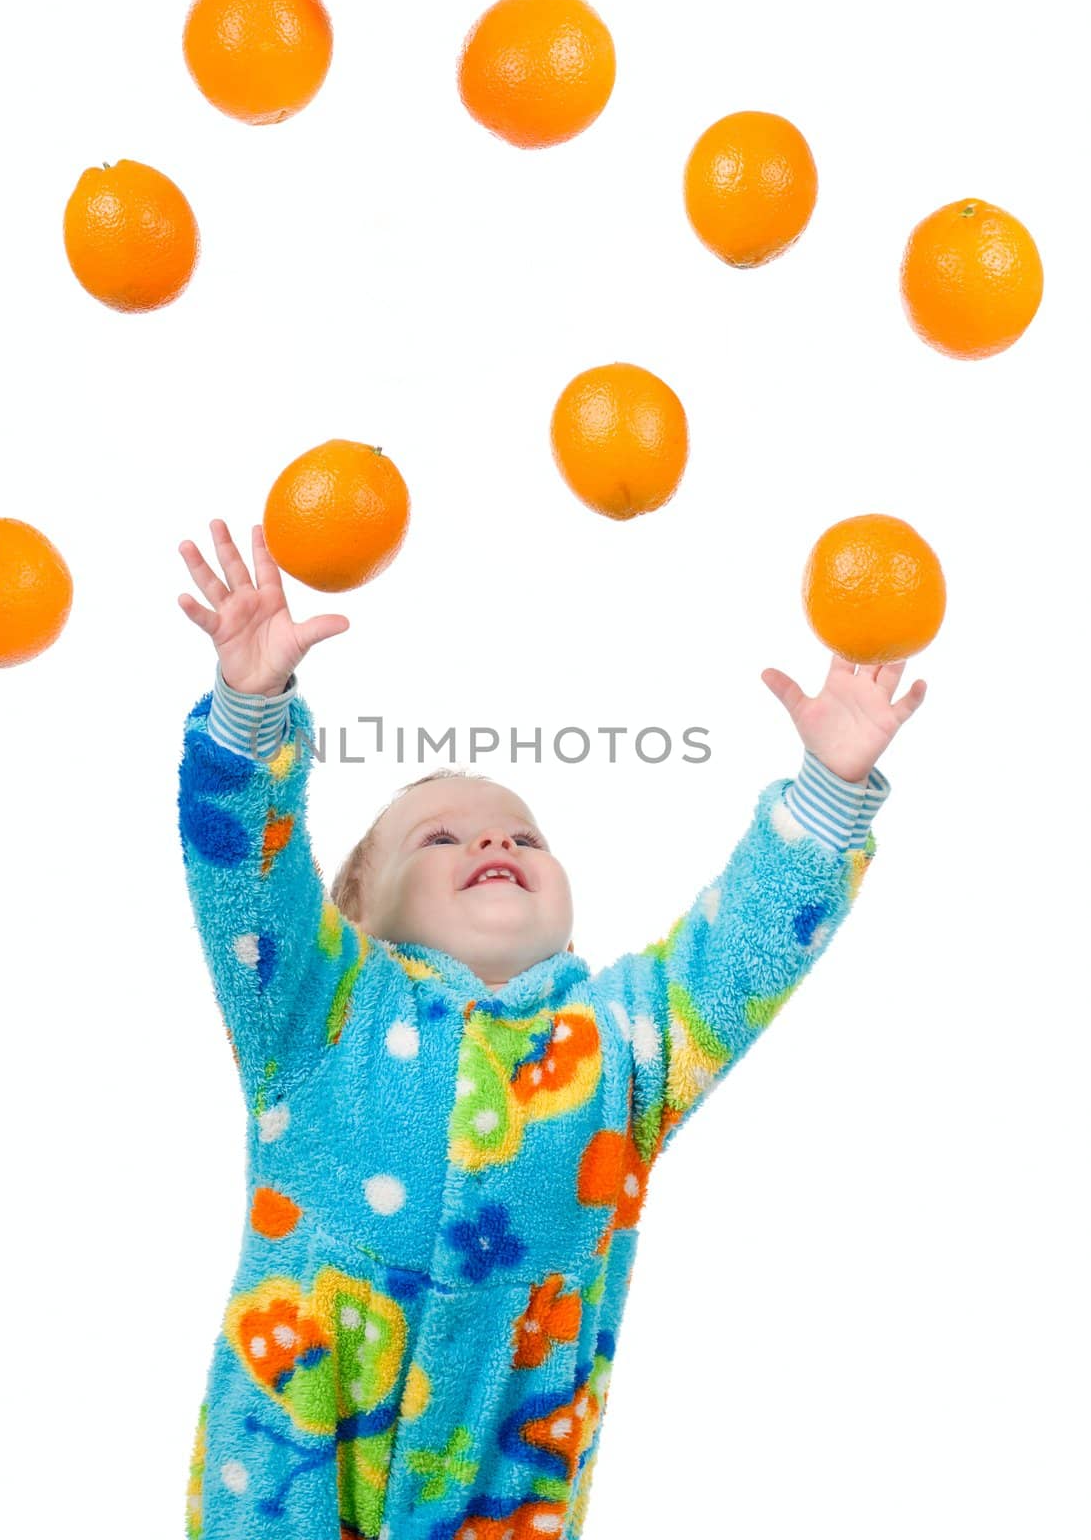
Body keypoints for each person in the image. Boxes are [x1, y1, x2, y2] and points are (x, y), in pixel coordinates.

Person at [175, 517, 926, 1540]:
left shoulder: (620, 1045)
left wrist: (828, 788)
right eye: (441, 836)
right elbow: (243, 877)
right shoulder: (318, 1012)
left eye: (523, 833)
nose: (493, 837)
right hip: (281, 1500)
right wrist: (250, 712)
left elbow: (742, 948)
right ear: (356, 903)